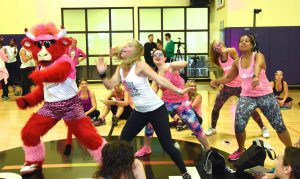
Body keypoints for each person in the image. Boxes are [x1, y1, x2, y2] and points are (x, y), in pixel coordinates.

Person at [96, 39, 194, 179]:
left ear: (134, 52)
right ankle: (115, 171)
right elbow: (109, 85)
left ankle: (184, 172)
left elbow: (160, 80)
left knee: (167, 145)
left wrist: (179, 91)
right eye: (125, 44)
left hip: (156, 110)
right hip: (140, 112)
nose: (124, 46)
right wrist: (102, 74)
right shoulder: (120, 68)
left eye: (129, 45)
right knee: (122, 142)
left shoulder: (140, 65)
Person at [210, 35, 292, 160]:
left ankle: (291, 151)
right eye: (241, 41)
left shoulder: (258, 56)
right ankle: (241, 149)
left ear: (252, 44)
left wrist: (255, 76)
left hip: (265, 95)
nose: (243, 42)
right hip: (247, 96)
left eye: (246, 41)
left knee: (279, 126)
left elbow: (258, 66)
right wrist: (216, 81)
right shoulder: (237, 62)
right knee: (239, 125)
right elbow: (228, 78)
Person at [135, 49, 210, 157]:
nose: (157, 56)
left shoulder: (172, 67)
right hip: (166, 103)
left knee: (196, 127)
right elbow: (153, 90)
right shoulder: (156, 74)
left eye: (160, 54)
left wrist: (169, 64)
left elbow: (184, 63)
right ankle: (146, 148)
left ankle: (208, 150)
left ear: (165, 58)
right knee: (150, 122)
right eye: (155, 55)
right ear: (153, 58)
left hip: (182, 103)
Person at [206, 40, 270, 138]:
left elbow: (232, 49)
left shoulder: (232, 53)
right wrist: (222, 83)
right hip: (227, 87)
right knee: (216, 108)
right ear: (214, 50)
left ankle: (263, 128)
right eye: (215, 47)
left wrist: (225, 49)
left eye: (219, 45)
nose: (218, 47)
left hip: (241, 87)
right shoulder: (219, 59)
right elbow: (226, 72)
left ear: (223, 44)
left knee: (251, 109)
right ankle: (213, 128)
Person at [64, 79, 101, 155]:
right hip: (80, 112)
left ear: (87, 85)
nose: (84, 85)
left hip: (89, 111)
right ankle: (87, 120)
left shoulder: (91, 92)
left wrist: (86, 113)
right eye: (82, 84)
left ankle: (86, 119)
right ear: (79, 85)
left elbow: (94, 106)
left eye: (85, 83)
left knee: (97, 112)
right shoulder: (77, 93)